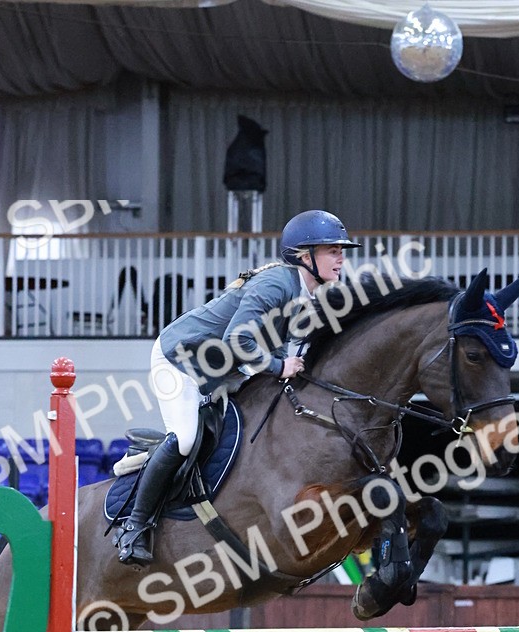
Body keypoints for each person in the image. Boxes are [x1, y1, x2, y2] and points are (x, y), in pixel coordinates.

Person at [117, 209, 359, 567]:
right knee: (184, 438)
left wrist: (283, 370)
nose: (341, 258)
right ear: (304, 256)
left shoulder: (304, 294)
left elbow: (272, 346)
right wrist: (279, 367)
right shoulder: (277, 283)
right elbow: (238, 339)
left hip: (223, 369)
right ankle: (134, 527)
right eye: (333, 251)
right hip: (181, 360)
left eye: (342, 251)